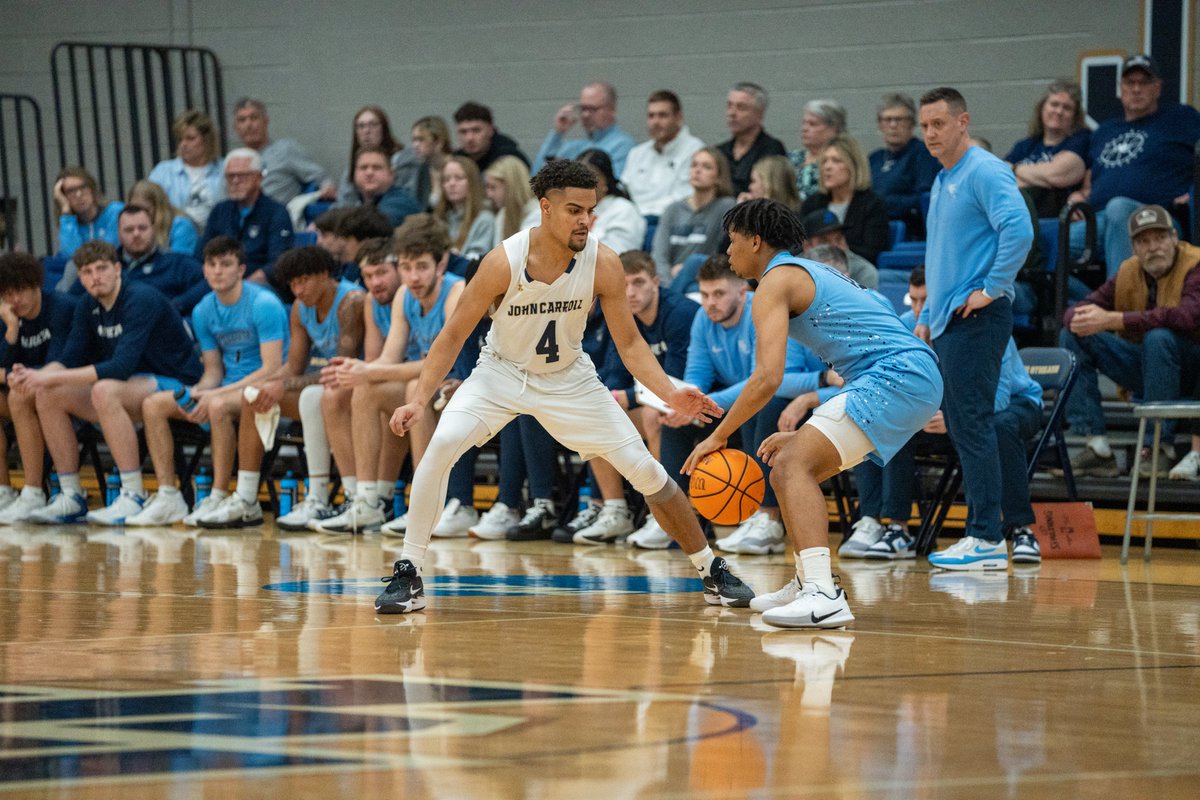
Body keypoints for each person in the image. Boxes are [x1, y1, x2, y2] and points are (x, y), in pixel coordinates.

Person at [375, 159, 754, 614]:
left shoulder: (604, 262)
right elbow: (453, 334)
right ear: (545, 208)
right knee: (441, 448)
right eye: (574, 210)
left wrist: (668, 392)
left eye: (590, 210)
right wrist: (419, 399)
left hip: (569, 379)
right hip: (500, 374)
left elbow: (630, 344)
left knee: (647, 471)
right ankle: (409, 572)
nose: (585, 220)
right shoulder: (503, 261)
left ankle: (711, 569)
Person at [682, 198, 942, 628]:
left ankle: (824, 596)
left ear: (755, 240)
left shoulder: (775, 282)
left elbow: (766, 379)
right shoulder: (801, 272)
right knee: (788, 464)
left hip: (896, 375)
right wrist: (805, 432)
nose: (728, 254)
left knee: (790, 469)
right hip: (902, 376)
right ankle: (808, 580)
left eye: (731, 242)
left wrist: (717, 435)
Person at [914, 87, 1034, 571]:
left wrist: (993, 286)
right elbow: (936, 256)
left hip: (978, 317)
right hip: (947, 321)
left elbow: (1020, 229)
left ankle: (986, 536)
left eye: (938, 124)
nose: (929, 135)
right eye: (924, 126)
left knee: (974, 424)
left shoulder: (984, 170)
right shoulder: (944, 180)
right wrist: (924, 317)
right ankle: (983, 535)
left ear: (962, 122)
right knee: (966, 427)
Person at [13, 241, 202, 525]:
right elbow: (69, 357)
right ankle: (71, 495)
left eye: (101, 268)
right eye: (87, 272)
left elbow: (121, 367)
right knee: (48, 393)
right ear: (80, 278)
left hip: (178, 385)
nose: (95, 277)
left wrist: (48, 375)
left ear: (117, 269)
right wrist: (32, 376)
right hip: (133, 388)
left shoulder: (141, 298)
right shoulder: (88, 305)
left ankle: (133, 494)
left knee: (104, 389)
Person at [194, 246, 365, 529]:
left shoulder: (351, 301)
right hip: (326, 385)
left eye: (304, 281)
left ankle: (323, 496)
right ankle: (247, 499)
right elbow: (293, 366)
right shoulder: (300, 308)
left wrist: (282, 385)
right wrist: (268, 385)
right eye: (293, 284)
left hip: (357, 385)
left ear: (324, 274)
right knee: (253, 397)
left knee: (312, 396)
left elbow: (340, 369)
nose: (298, 290)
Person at [128, 237, 289, 525]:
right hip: (225, 389)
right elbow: (213, 369)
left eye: (225, 264)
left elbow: (272, 368)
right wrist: (200, 391)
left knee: (216, 406)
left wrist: (215, 395)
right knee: (153, 404)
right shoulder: (203, 310)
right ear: (203, 270)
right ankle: (168, 496)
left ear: (241, 269)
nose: (217, 271)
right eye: (211, 264)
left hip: (263, 391)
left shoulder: (264, 304)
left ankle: (217, 495)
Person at [317, 225, 465, 534]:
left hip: (461, 382)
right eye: (407, 268)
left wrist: (369, 371)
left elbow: (440, 363)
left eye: (421, 267)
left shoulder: (456, 292)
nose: (413, 277)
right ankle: (369, 502)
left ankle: (426, 506)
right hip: (427, 384)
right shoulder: (403, 295)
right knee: (366, 390)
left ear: (440, 266)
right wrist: (360, 369)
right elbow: (389, 358)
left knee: (411, 388)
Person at [1060, 204, 1200, 477]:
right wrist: (1079, 318)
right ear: (1134, 247)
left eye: (1160, 238)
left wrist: (1115, 320)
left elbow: (1188, 317)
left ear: (1174, 237)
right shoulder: (1128, 271)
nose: (1153, 247)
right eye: (1144, 241)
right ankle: (1097, 446)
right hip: (1148, 367)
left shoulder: (1195, 264)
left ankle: (1157, 446)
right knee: (1074, 334)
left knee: (1159, 338)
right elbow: (1074, 311)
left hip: (1191, 371)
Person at [583, 250, 700, 547]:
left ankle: (661, 517)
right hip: (650, 403)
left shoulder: (680, 314)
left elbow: (676, 383)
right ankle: (615, 510)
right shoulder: (620, 314)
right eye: (623, 286)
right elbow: (614, 374)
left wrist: (629, 396)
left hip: (692, 404)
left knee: (653, 414)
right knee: (595, 415)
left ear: (656, 282)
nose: (630, 293)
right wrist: (610, 397)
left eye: (638, 283)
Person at [1068, 55, 1200, 277]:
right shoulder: (1104, 131)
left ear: (1157, 88)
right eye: (1130, 83)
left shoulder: (1180, 117)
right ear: (1121, 88)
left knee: (1119, 208)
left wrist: (1194, 190)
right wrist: (1079, 196)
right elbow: (1090, 178)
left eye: (1144, 83)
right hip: (1099, 220)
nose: (1136, 89)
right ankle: (1078, 302)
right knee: (1041, 243)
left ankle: (1124, 307)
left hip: (1158, 218)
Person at [0, 253, 77, 523]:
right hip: (29, 390)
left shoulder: (60, 307)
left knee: (20, 397)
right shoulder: (8, 317)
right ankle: (4, 492)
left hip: (65, 389)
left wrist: (15, 376)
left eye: (19, 291)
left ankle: (33, 492)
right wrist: (11, 331)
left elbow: (60, 360)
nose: (14, 300)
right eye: (7, 294)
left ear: (36, 284)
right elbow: (2, 367)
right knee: (18, 395)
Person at [199, 148, 294, 286]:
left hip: (259, 285)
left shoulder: (276, 212)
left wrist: (241, 288)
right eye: (230, 176)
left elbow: (278, 263)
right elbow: (202, 254)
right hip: (218, 280)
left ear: (258, 178)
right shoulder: (220, 210)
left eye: (242, 176)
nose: (236, 181)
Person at [800, 135, 890, 264]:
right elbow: (798, 244)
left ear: (853, 166)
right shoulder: (812, 204)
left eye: (836, 161)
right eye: (824, 161)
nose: (827, 167)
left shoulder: (873, 205)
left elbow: (873, 251)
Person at [1007, 81, 1090, 219]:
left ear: (1075, 116)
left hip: (1055, 221)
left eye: (1067, 108)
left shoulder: (1082, 140)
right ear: (1042, 108)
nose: (1059, 111)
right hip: (1019, 217)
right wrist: (1046, 180)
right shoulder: (1025, 145)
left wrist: (1016, 169)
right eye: (1054, 104)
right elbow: (1001, 176)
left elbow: (1057, 174)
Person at [652, 147, 736, 282]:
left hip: (706, 280)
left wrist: (688, 270)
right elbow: (659, 256)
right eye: (694, 165)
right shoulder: (672, 210)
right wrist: (669, 285)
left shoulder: (726, 207)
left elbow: (723, 253)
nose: (697, 170)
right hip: (671, 281)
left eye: (706, 167)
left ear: (719, 177)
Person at [232, 97, 333, 205]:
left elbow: (321, 178)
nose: (249, 125)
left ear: (265, 122)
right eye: (242, 120)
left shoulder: (285, 150)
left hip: (278, 217)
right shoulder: (233, 162)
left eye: (254, 118)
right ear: (236, 128)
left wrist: (327, 187)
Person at [621, 90, 706, 216]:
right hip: (634, 221)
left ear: (678, 118)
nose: (655, 122)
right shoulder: (637, 153)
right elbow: (624, 191)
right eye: (651, 116)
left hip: (672, 221)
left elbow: (685, 197)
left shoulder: (696, 151)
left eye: (662, 115)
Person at [113, 205, 208, 315]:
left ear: (153, 229)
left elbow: (208, 281)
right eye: (129, 230)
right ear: (118, 233)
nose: (136, 234)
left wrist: (175, 306)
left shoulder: (176, 263)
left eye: (142, 228)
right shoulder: (106, 268)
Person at [868, 93, 939, 233]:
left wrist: (883, 203)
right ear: (880, 125)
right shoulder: (874, 159)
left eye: (900, 119)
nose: (893, 125)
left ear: (912, 124)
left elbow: (925, 199)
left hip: (908, 230)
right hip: (874, 228)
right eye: (887, 119)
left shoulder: (923, 154)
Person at [533, 81, 636, 175]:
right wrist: (558, 132)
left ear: (612, 109)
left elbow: (611, 186)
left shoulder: (623, 145)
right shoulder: (574, 147)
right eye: (583, 108)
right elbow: (536, 176)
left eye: (592, 109)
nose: (585, 115)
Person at [148, 109, 224, 228]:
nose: (183, 144)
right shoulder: (163, 172)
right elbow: (150, 208)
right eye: (180, 139)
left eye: (190, 138)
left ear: (207, 140)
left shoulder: (225, 168)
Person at [333, 106, 422, 205]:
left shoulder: (405, 160)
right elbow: (343, 203)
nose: (366, 131)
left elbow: (408, 199)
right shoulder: (352, 168)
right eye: (361, 126)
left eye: (373, 125)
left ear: (384, 129)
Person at [717, 82, 787, 196]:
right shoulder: (720, 152)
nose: (732, 113)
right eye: (729, 106)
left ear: (759, 114)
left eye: (741, 107)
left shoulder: (772, 150)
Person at [576, 149, 645, 254]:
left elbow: (616, 256)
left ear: (606, 180)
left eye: (590, 175)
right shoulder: (565, 209)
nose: (581, 182)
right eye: (576, 176)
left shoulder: (623, 210)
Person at [335, 145, 422, 228]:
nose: (369, 173)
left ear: (391, 174)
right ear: (354, 175)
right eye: (363, 167)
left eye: (377, 168)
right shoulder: (352, 199)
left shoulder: (402, 202)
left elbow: (375, 229)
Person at [434, 155, 495, 262]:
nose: (451, 184)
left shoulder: (485, 220)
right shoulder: (439, 217)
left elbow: (477, 261)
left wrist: (452, 258)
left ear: (472, 182)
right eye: (446, 179)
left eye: (459, 178)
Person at [800, 209, 879, 290]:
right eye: (824, 241)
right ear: (807, 246)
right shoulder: (793, 268)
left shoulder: (862, 270)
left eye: (839, 239)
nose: (835, 246)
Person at [54, 166, 123, 257]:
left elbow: (108, 253)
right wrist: (66, 213)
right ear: (63, 197)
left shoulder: (115, 211)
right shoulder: (68, 224)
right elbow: (71, 257)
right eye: (71, 191)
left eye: (83, 187)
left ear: (92, 189)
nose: (78, 194)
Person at [788, 99, 846, 203]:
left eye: (812, 124)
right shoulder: (792, 157)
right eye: (804, 123)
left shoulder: (841, 161)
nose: (804, 128)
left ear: (834, 128)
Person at [126, 179, 199, 255]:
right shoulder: (133, 227)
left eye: (145, 210)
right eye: (134, 209)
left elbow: (179, 263)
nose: (139, 215)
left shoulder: (181, 226)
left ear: (158, 207)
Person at [453, 101, 529, 172]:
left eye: (476, 130)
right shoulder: (456, 160)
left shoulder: (510, 158)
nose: (469, 138)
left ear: (491, 130)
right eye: (463, 132)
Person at [485, 156, 540, 247]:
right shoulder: (502, 214)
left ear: (511, 187)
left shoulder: (537, 214)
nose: (489, 195)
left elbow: (521, 252)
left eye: (493, 187)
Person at [410, 116, 453, 209]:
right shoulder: (423, 169)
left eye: (421, 139)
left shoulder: (458, 166)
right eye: (414, 140)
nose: (415, 145)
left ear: (439, 142)